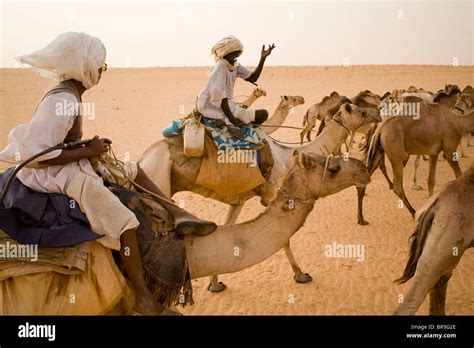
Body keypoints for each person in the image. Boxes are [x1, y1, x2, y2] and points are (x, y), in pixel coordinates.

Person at [0, 32, 216, 315]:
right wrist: (88, 151)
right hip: (52, 175)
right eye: (100, 65)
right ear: (85, 65)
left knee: (133, 169)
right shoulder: (63, 99)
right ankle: (143, 299)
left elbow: (57, 143)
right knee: (125, 224)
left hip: (65, 163)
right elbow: (42, 156)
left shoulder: (68, 93)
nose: (102, 71)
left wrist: (88, 146)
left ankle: (176, 212)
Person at [197, 35, 275, 131]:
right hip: (211, 106)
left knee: (258, 114)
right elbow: (221, 97)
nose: (237, 57)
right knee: (263, 114)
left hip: (228, 104)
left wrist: (262, 58)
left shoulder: (235, 65)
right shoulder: (221, 66)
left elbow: (253, 77)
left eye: (238, 54)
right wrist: (233, 120)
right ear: (227, 53)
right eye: (235, 54)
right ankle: (243, 132)